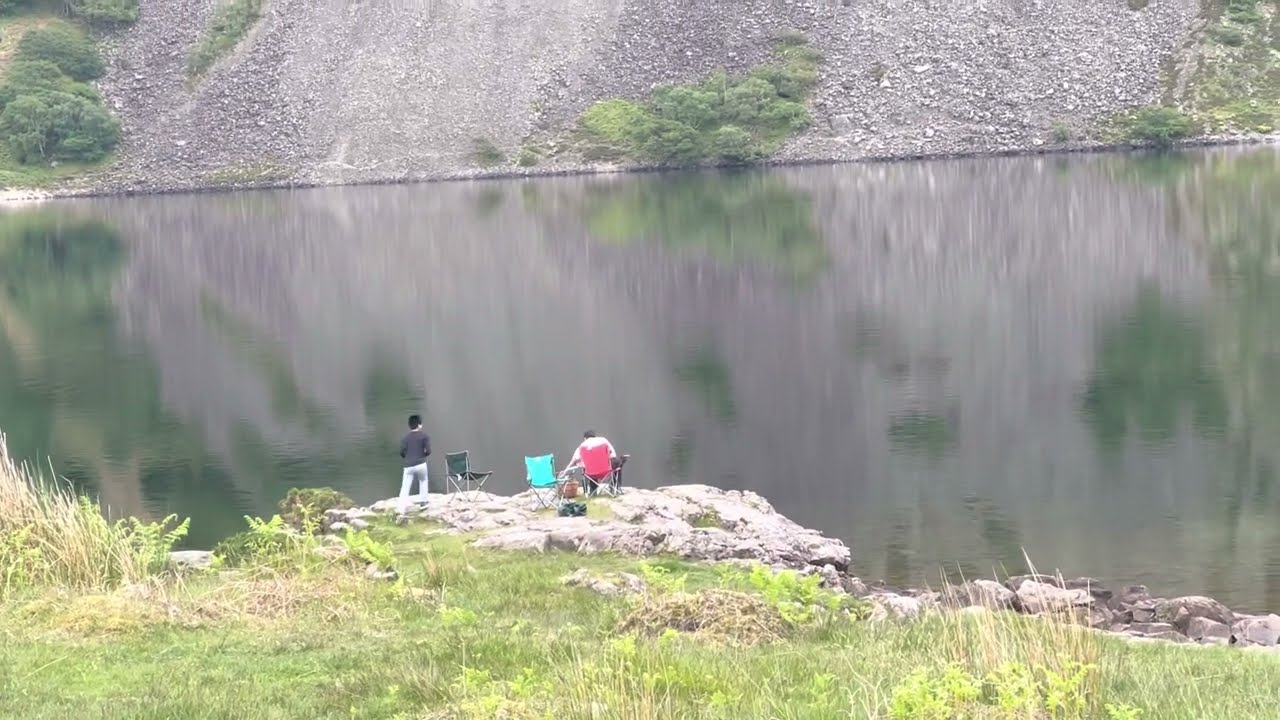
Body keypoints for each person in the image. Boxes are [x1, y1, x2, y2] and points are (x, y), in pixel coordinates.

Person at [564, 429, 619, 494]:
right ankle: (613, 487)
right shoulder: (603, 441)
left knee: (588, 466)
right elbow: (613, 456)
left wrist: (565, 471)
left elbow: (574, 459)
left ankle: (593, 490)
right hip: (606, 470)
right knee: (617, 462)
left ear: (585, 438)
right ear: (595, 436)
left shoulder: (582, 446)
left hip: (591, 473)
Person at [398, 414, 431, 513]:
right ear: (419, 425)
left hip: (408, 465)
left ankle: (401, 507)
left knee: (405, 486)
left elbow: (402, 452)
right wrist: (423, 455)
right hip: (421, 463)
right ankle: (423, 502)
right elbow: (428, 451)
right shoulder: (424, 436)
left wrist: (408, 458)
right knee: (423, 481)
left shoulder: (405, 438)